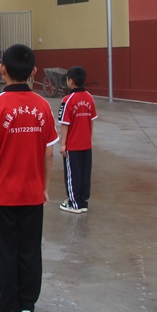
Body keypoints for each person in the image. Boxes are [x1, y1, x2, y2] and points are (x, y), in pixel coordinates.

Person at [0, 44, 58, 312]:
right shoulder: (44, 106)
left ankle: (7, 309)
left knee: (3, 252)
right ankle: (26, 307)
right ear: (34, 71)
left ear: (2, 69)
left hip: (2, 195)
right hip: (32, 192)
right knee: (30, 251)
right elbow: (49, 151)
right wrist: (44, 187)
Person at [57, 66, 97, 214]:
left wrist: (63, 144)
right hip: (86, 144)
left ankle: (74, 203)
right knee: (85, 174)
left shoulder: (67, 100)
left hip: (72, 145)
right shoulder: (89, 97)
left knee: (73, 175)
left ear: (71, 81)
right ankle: (83, 202)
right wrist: (89, 139)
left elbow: (65, 124)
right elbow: (91, 120)